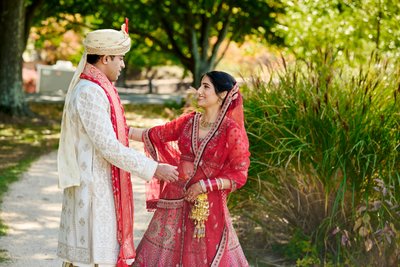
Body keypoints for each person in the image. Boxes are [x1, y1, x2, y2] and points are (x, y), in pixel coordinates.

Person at [56, 21, 179, 267]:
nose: (122, 64)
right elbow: (109, 147)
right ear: (104, 58)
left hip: (96, 184)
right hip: (93, 189)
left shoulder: (95, 87)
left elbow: (113, 134)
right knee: (94, 259)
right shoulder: (90, 91)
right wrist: (154, 168)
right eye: (120, 58)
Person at [129, 71, 251, 266]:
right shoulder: (189, 121)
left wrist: (205, 185)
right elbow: (154, 134)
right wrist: (118, 128)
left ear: (222, 95)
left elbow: (239, 175)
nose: (199, 91)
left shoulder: (231, 131)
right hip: (174, 201)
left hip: (206, 206)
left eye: (206, 87)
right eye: (200, 85)